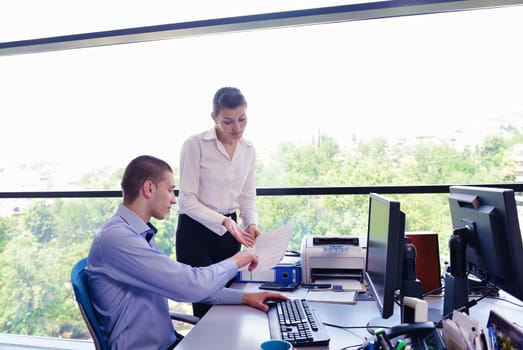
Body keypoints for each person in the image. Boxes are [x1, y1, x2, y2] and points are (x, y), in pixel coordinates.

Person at [85, 155, 286, 349]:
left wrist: (244, 298)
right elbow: (191, 286)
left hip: (170, 342)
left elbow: (183, 283)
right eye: (170, 190)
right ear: (148, 188)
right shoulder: (119, 239)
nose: (173, 200)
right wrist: (240, 259)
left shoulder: (137, 232)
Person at [176, 86, 261, 317]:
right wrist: (224, 222)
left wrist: (251, 223)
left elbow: (246, 196)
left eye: (242, 119)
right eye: (228, 121)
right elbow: (186, 201)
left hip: (230, 236)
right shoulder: (195, 145)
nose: (237, 128)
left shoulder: (249, 149)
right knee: (206, 309)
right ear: (214, 118)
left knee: (232, 304)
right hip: (196, 234)